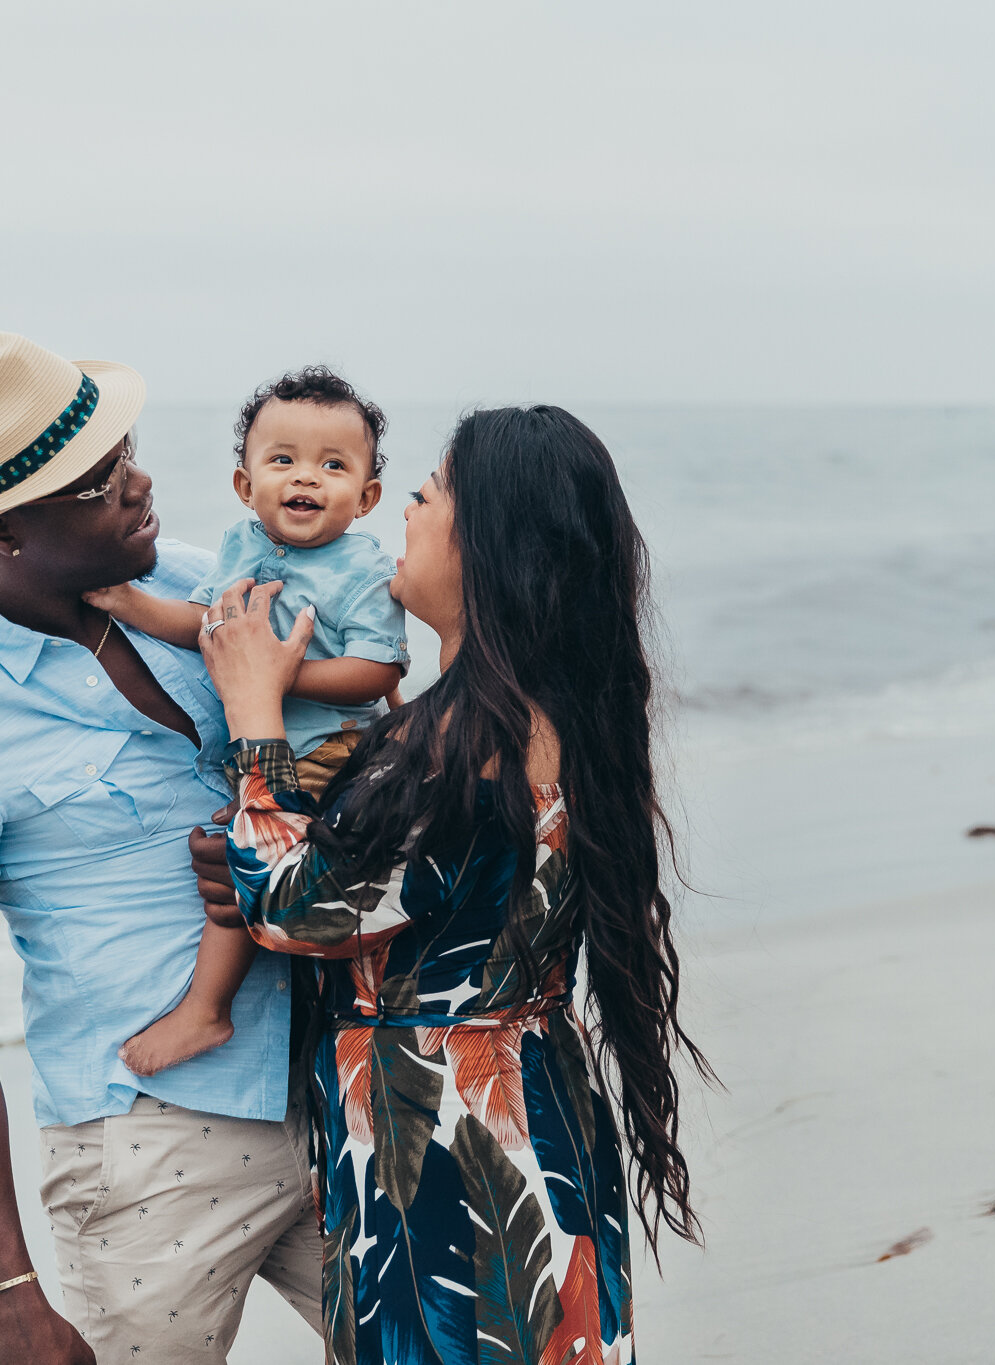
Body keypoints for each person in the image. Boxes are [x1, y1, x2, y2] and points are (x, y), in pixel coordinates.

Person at [192, 405, 709, 1364]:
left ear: (485, 544)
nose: (406, 515)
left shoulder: (456, 744)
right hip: (538, 1094)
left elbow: (297, 909)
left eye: (426, 496)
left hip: (438, 1130)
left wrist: (254, 715)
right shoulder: (564, 715)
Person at [0, 330, 322, 1364]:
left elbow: (368, 765)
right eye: (98, 481)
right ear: (2, 528)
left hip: (342, 1081)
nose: (138, 482)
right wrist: (8, 1294)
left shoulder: (211, 594)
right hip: (152, 1141)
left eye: (127, 453)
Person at [86, 367, 409, 1077]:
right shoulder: (238, 547)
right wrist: (130, 605)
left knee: (258, 868)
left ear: (367, 496)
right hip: (261, 751)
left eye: (334, 466)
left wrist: (275, 673)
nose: (307, 478)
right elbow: (206, 627)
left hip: (334, 750)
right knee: (235, 858)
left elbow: (378, 671)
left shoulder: (364, 567)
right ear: (244, 483)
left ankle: (208, 1008)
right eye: (283, 460)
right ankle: (228, 1008)